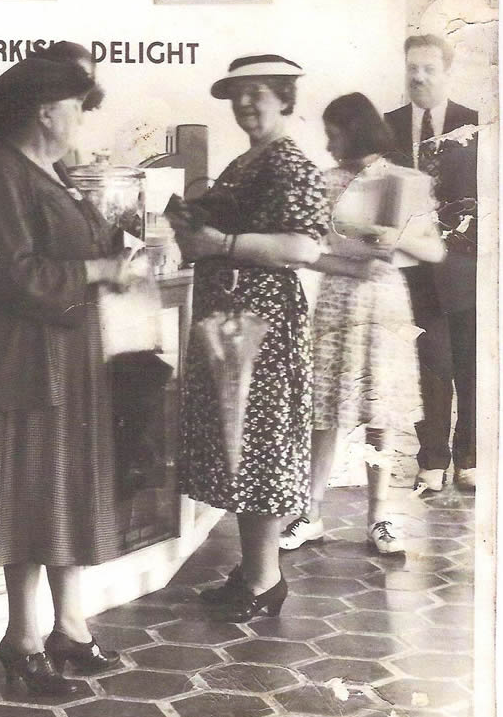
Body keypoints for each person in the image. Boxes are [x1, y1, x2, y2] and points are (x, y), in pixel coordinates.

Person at [0, 57, 137, 696]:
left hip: (65, 359)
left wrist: (122, 249)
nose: (82, 118)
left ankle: (70, 629)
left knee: (62, 493)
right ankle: (22, 639)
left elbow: (83, 246)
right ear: (46, 112)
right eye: (77, 106)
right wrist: (98, 271)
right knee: (28, 498)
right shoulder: (0, 175)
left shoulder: (50, 173)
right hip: (22, 363)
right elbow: (14, 275)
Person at [169, 54, 328, 622]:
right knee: (240, 445)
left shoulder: (289, 163)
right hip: (233, 318)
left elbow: (304, 247)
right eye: (236, 94)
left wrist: (221, 243)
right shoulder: (246, 161)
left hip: (260, 323)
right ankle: (253, 571)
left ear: (284, 96)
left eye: (256, 92)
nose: (243, 103)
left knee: (257, 446)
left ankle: (265, 581)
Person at [280, 93, 444, 555]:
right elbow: (305, 252)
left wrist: (399, 237)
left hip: (385, 306)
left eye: (334, 135)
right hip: (337, 304)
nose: (329, 145)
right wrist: (351, 260)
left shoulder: (404, 181)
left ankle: (379, 517)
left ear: (356, 132)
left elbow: (434, 250)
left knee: (381, 413)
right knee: (324, 413)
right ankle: (310, 514)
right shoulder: (323, 182)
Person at [384, 35, 478, 492]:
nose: (418, 77)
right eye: (412, 68)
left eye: (428, 68)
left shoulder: (476, 124)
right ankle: (433, 459)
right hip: (412, 270)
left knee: (471, 365)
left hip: (468, 268)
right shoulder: (387, 127)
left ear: (447, 72)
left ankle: (470, 458)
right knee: (430, 364)